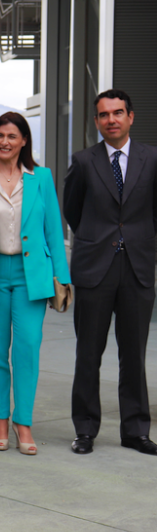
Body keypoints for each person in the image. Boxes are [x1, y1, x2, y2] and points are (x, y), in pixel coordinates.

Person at [0, 112, 71, 455]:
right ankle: (0, 420)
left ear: (24, 141)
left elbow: (54, 230)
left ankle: (24, 422)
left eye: (12, 136)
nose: (4, 141)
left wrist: (62, 280)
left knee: (26, 350)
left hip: (31, 277)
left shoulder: (42, 178)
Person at [63, 89, 157, 456]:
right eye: (104, 115)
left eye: (118, 113)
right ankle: (85, 430)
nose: (111, 120)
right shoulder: (84, 161)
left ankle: (135, 431)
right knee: (88, 353)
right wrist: (97, 239)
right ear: (97, 121)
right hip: (94, 269)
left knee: (134, 354)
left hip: (137, 269)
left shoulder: (152, 159)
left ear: (131, 117)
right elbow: (73, 211)